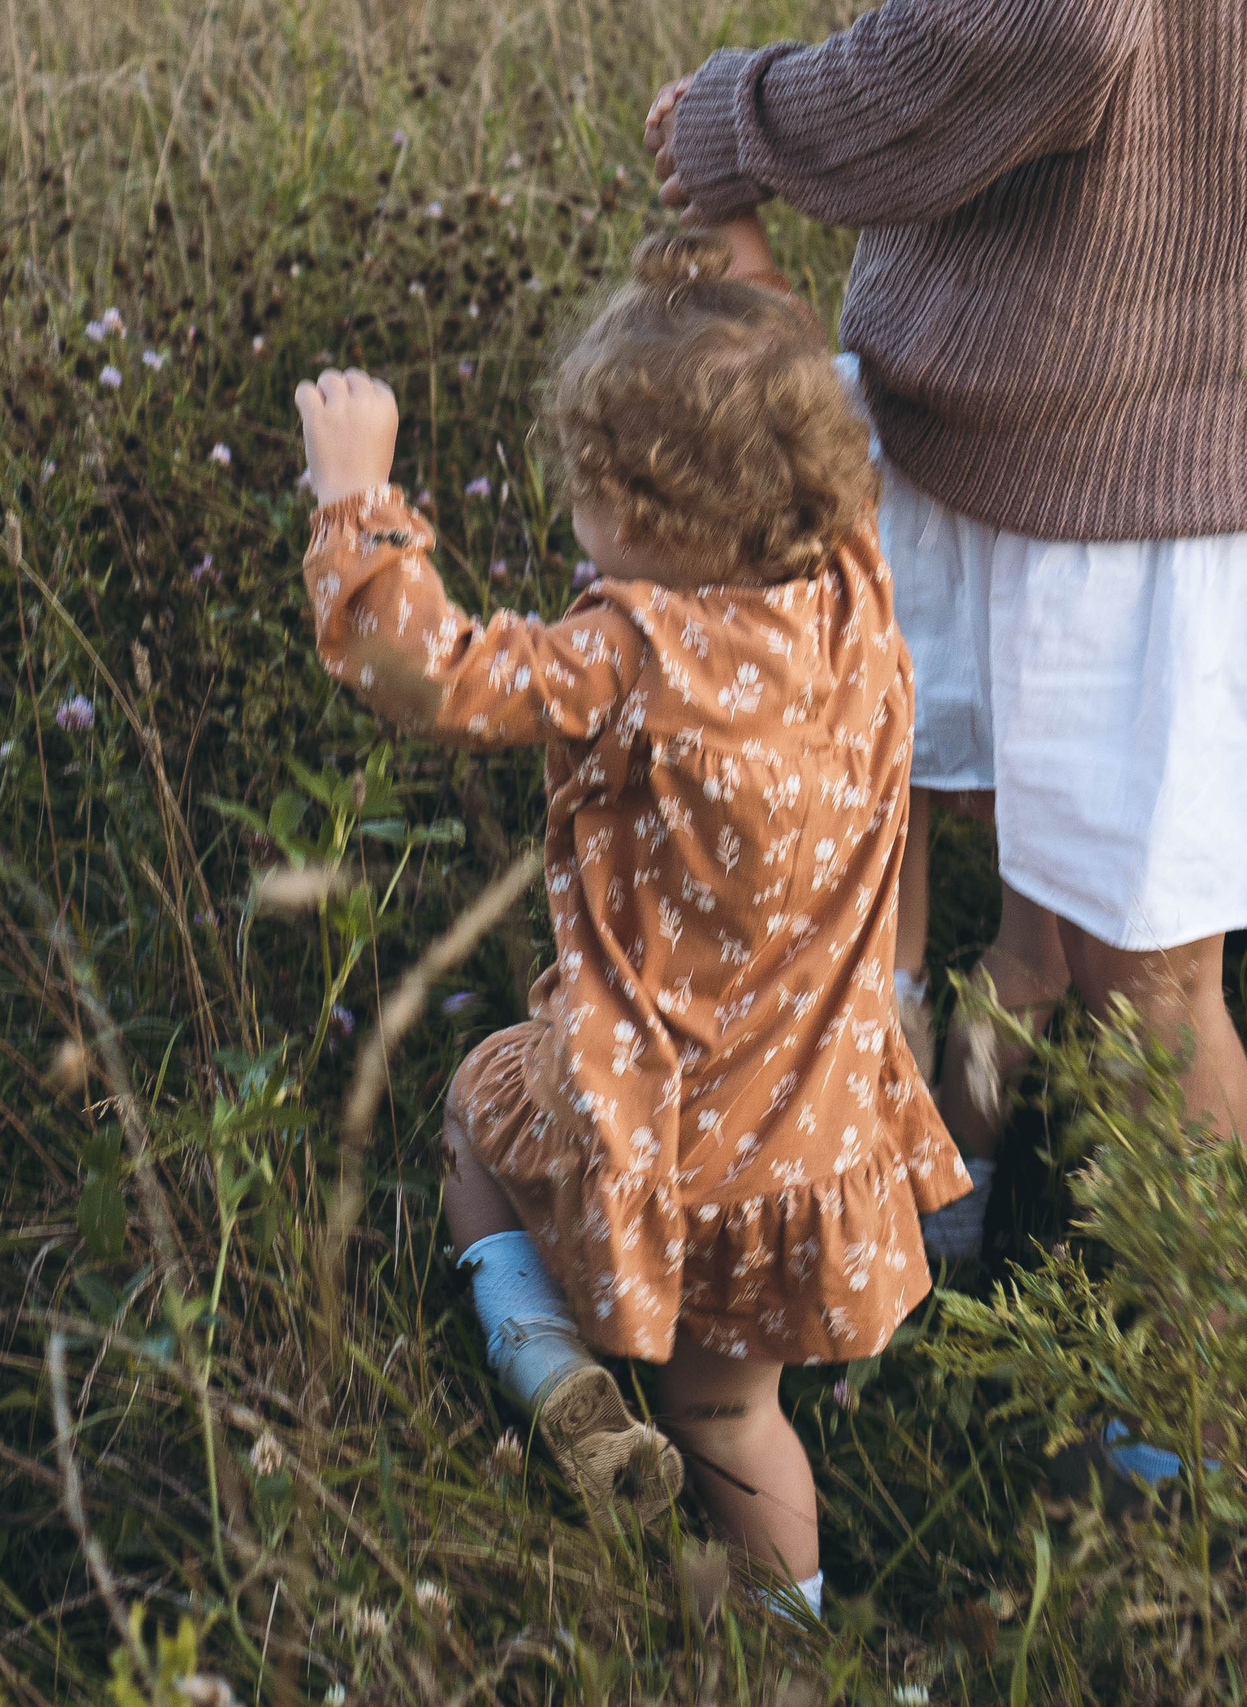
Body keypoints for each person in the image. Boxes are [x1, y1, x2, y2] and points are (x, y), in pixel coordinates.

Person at [647, 0, 1247, 1256]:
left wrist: (752, 118)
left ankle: (1184, 1422)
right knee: (1033, 902)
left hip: (1120, 456)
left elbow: (1051, 29)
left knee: (1150, 984)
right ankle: (933, 1219)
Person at [291, 228, 966, 1614]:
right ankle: (788, 1642)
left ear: (643, 508)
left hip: (657, 1127)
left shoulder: (627, 651)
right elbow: (790, 426)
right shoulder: (855, 592)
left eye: (592, 490)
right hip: (812, 1129)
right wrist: (753, 279)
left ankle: (546, 1362)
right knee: (735, 1417)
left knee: (482, 1108)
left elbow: (429, 671)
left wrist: (353, 497)